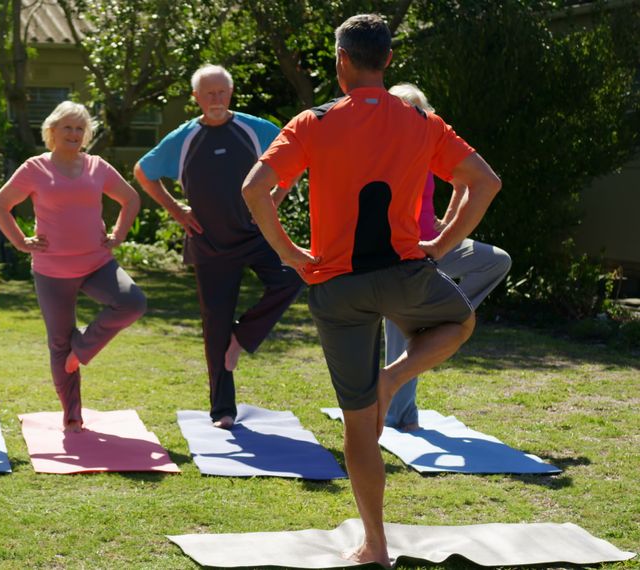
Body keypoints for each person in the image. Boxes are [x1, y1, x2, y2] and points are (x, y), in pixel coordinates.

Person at [241, 14, 501, 565]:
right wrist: (442, 243)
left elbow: (255, 188)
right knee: (461, 323)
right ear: (386, 62)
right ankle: (394, 380)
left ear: (342, 62)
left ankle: (375, 547)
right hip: (407, 278)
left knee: (360, 427)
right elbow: (484, 182)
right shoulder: (420, 120)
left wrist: (291, 255)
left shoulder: (311, 122)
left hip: (335, 289)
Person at [134, 64, 304, 429]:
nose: (216, 99)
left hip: (256, 236)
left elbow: (295, 160)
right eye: (209, 93)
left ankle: (242, 336)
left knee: (292, 277)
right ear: (196, 97)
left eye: (222, 92)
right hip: (208, 243)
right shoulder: (184, 138)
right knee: (214, 326)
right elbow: (143, 172)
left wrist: (274, 199)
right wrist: (176, 210)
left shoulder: (254, 129)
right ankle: (222, 411)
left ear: (231, 94)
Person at [0, 101, 146, 433]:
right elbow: (0, 205)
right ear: (52, 132)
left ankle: (83, 348)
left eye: (80, 128)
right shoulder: (35, 168)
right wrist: (20, 241)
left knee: (132, 302)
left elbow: (130, 199)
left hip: (97, 263)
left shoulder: (97, 166)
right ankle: (72, 415)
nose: (74, 134)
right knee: (59, 342)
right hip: (52, 271)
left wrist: (118, 234)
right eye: (67, 128)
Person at [382, 83, 512, 431]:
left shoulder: (429, 147)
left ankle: (445, 316)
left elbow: (465, 183)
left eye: (416, 110)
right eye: (402, 109)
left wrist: (449, 226)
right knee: (403, 339)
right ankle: (399, 415)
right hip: (401, 258)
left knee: (496, 260)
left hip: (435, 247)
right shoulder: (380, 151)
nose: (410, 116)